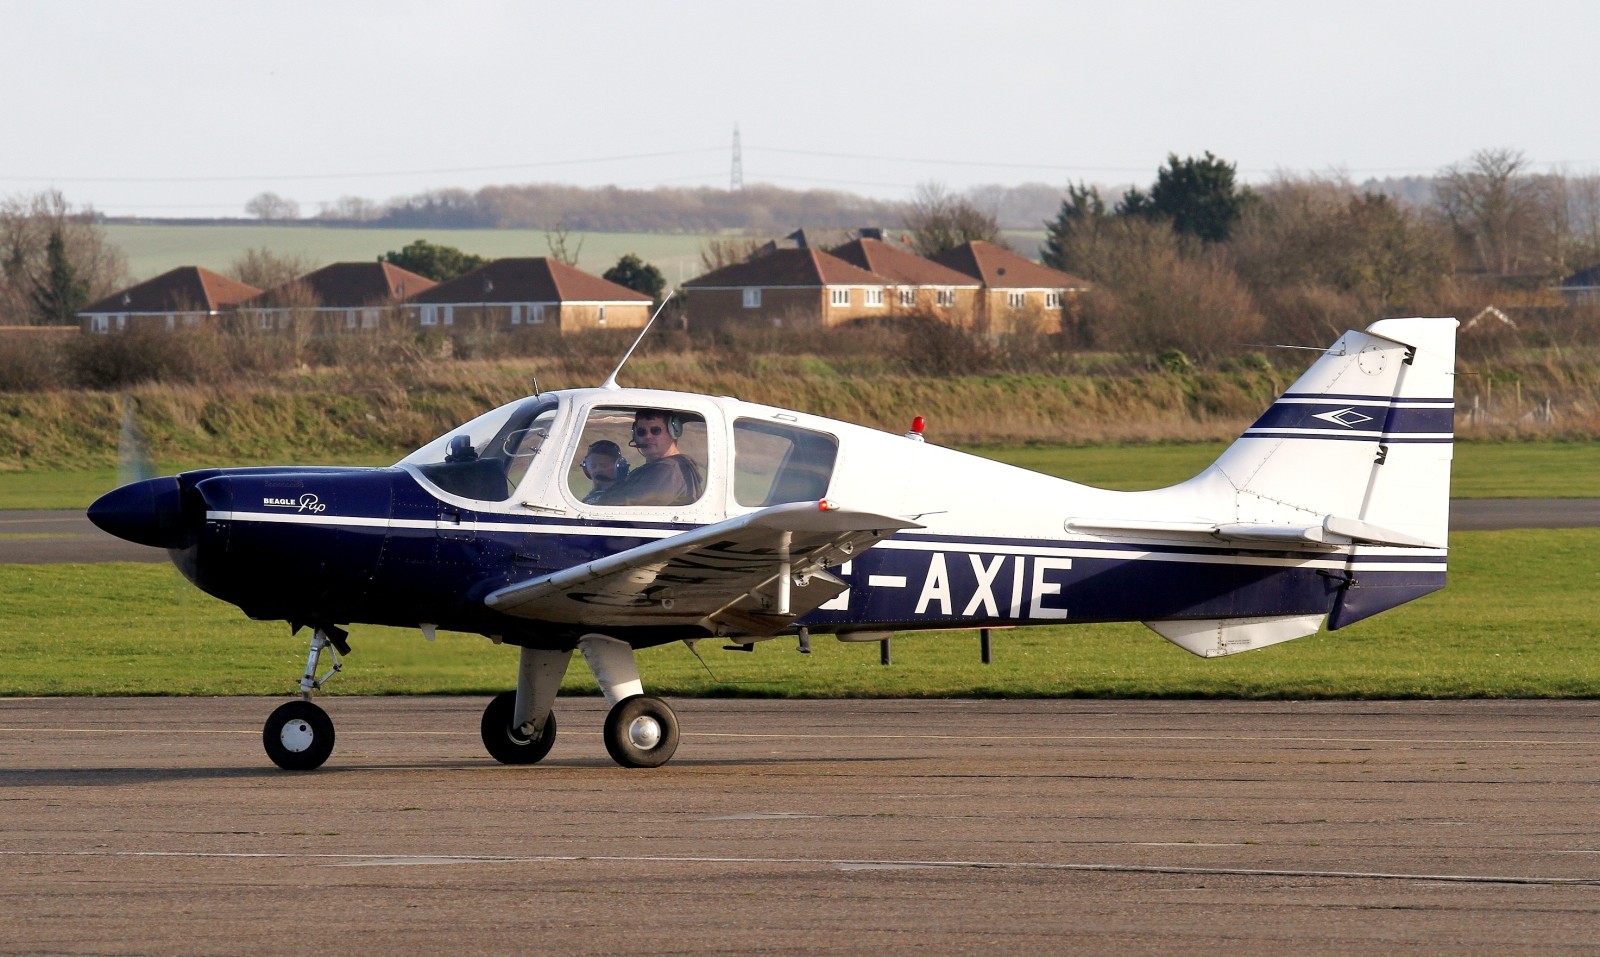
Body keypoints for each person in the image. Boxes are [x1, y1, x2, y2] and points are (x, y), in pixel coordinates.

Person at [594, 409, 703, 507]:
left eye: (655, 431)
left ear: (674, 431)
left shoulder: (669, 470)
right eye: (641, 432)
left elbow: (621, 503)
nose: (648, 436)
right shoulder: (659, 468)